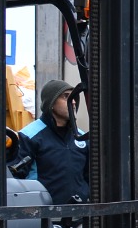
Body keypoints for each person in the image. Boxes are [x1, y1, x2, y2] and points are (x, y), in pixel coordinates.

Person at [22, 79, 89, 219]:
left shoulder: (82, 137)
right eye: (66, 96)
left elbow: (90, 177)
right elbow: (17, 180)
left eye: (74, 97)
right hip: (44, 218)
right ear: (51, 103)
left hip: (79, 217)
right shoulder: (28, 136)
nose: (74, 102)